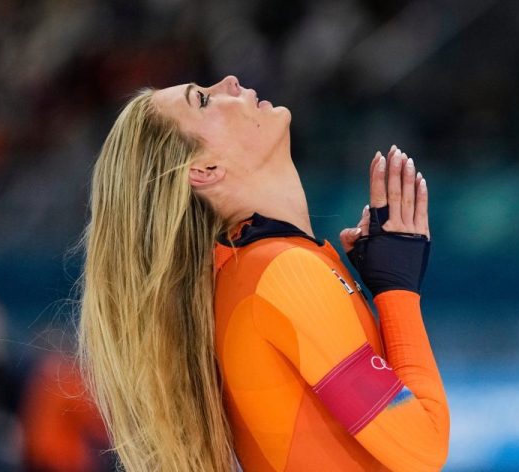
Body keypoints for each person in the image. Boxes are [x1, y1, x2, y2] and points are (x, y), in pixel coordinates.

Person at [78, 75, 449, 471]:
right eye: (203, 100)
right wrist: (397, 292)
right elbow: (423, 448)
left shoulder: (252, 272)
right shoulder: (283, 273)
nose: (229, 82)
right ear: (204, 168)